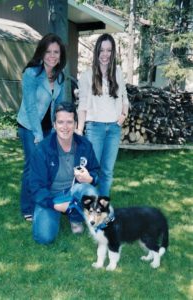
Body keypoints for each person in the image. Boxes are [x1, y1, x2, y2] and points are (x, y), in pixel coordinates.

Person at [29, 102, 99, 245]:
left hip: (74, 191)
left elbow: (96, 171)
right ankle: (52, 213)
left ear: (75, 124)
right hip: (51, 196)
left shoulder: (85, 145)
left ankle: (75, 217)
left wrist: (90, 178)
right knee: (44, 237)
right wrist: (53, 204)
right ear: (54, 124)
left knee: (90, 191)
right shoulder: (42, 149)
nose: (65, 127)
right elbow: (35, 186)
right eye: (60, 122)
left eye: (69, 122)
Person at [17, 33, 66, 221]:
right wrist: (37, 134)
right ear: (42, 53)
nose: (52, 56)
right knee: (32, 166)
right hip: (29, 127)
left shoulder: (60, 76)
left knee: (47, 167)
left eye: (56, 52)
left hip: (48, 128)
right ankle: (27, 207)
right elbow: (29, 106)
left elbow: (59, 106)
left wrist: (57, 131)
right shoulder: (31, 74)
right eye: (48, 52)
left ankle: (42, 202)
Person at [76, 33, 129, 197]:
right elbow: (82, 104)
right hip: (94, 128)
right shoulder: (86, 75)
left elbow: (124, 97)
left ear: (113, 53)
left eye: (109, 50)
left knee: (107, 171)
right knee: (91, 171)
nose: (105, 54)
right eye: (102, 50)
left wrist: (123, 115)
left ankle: (102, 208)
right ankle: (87, 206)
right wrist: (79, 130)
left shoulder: (118, 73)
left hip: (114, 129)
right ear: (96, 52)